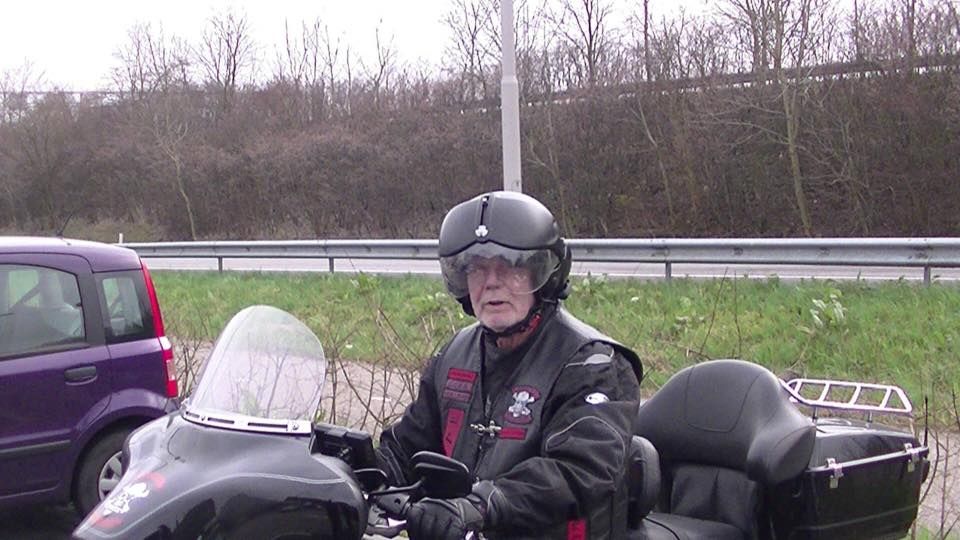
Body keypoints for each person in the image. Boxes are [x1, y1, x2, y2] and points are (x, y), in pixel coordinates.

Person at [377, 190, 643, 539]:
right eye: (477, 269)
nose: (491, 282)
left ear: (542, 275)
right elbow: (408, 445)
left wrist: (483, 505)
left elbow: (580, 469)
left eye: (510, 266)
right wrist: (360, 468)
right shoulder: (455, 355)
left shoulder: (592, 364)